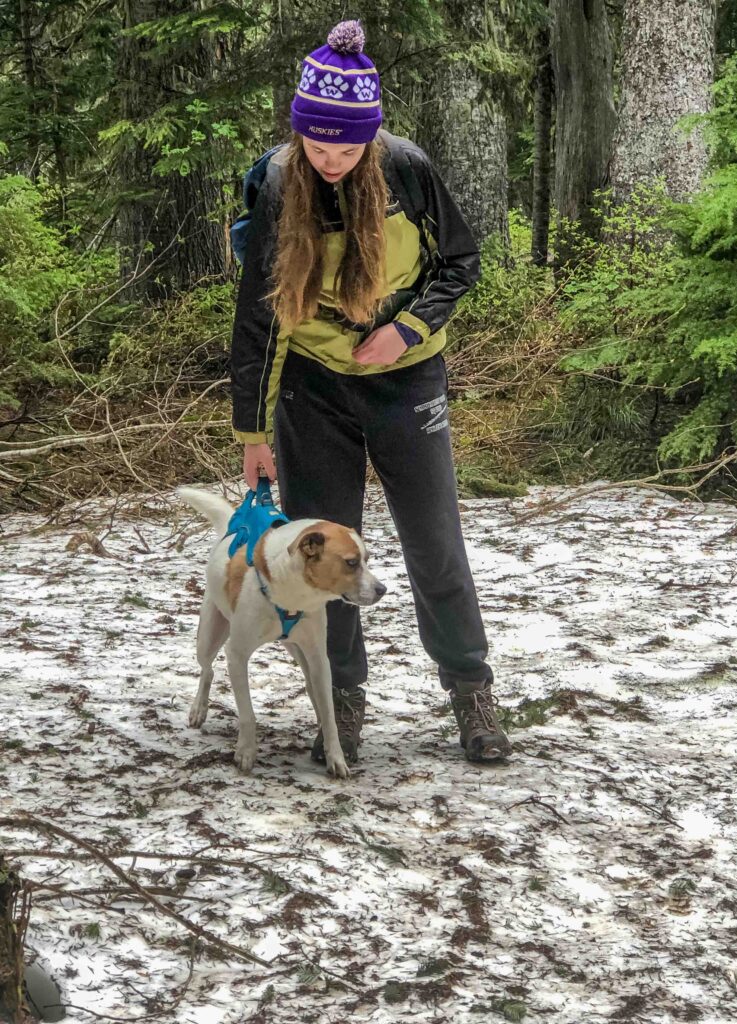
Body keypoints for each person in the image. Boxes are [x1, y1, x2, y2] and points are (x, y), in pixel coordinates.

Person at [230, 19, 512, 765]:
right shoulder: (276, 181)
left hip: (404, 377)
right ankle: (342, 698)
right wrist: (252, 434)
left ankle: (470, 691)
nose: (330, 161)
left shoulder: (409, 169)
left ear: (371, 137)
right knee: (327, 552)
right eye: (316, 146)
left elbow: (460, 262)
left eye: (346, 148)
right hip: (311, 386)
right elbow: (259, 315)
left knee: (434, 541)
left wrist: (407, 330)